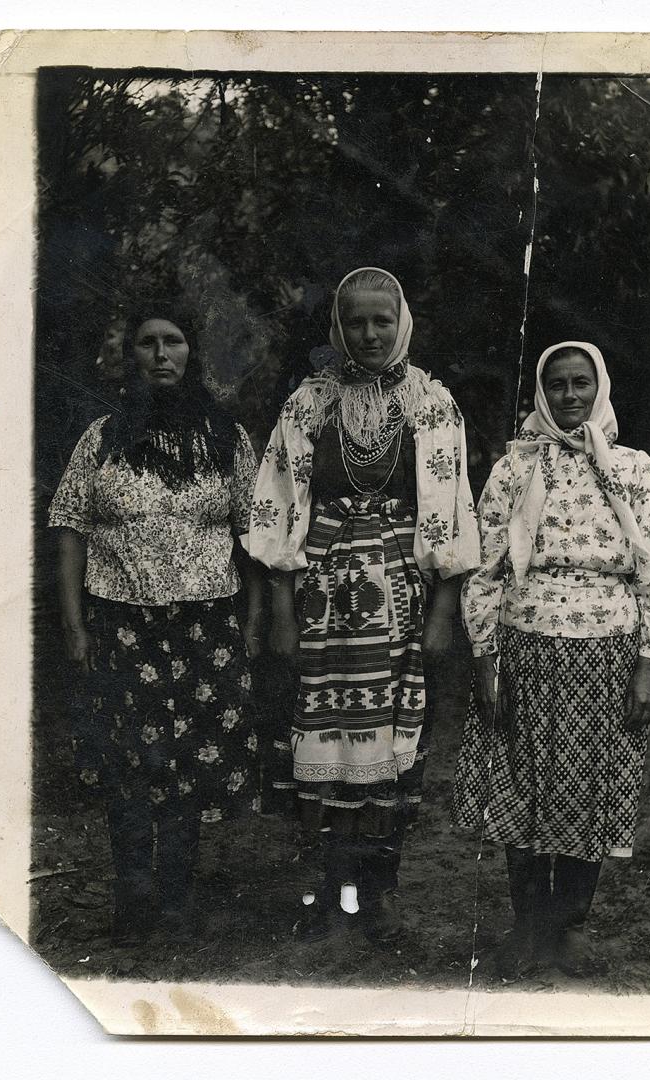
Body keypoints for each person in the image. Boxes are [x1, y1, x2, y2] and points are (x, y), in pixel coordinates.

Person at [244, 267, 479, 943]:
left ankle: (376, 894)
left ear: (401, 322)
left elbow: (452, 511)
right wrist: (284, 611)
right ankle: (324, 895)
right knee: (324, 741)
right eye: (356, 321)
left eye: (383, 319)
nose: (370, 333)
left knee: (390, 742)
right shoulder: (310, 403)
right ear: (338, 328)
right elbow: (278, 507)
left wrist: (441, 611)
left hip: (399, 599)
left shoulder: (431, 404)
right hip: (321, 596)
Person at [452, 341, 650, 981]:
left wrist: (649, 659)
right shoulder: (513, 469)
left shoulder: (632, 469)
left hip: (607, 650)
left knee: (588, 788)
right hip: (525, 646)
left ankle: (566, 926)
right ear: (541, 394)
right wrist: (485, 656)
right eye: (557, 385)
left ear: (600, 390)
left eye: (582, 384)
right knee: (521, 784)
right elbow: (486, 570)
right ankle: (526, 928)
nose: (570, 396)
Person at [48, 298, 263, 945]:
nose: (162, 353)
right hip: (120, 627)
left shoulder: (226, 438)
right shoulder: (103, 438)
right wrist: (73, 626)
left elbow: (254, 538)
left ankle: (174, 902)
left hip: (205, 629)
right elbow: (68, 528)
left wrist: (253, 623)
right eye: (148, 342)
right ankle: (132, 900)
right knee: (129, 767)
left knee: (188, 769)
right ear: (132, 356)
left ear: (191, 353)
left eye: (173, 341)